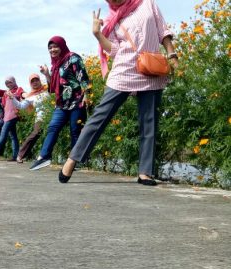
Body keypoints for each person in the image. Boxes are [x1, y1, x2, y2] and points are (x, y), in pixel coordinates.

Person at [59, 0, 179, 185]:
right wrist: (98, 34)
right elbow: (114, 50)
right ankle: (72, 159)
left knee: (149, 122)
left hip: (151, 68)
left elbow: (163, 31)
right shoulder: (113, 18)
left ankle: (145, 172)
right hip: (124, 70)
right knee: (100, 116)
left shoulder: (148, 4)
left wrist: (172, 55)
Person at [29, 36, 91, 171]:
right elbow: (52, 89)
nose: (52, 50)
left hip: (77, 100)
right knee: (53, 127)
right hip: (61, 104)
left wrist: (87, 94)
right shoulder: (55, 65)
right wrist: (46, 74)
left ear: (62, 46)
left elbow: (83, 77)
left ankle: (75, 162)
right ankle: (44, 157)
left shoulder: (73, 58)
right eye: (50, 48)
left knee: (76, 131)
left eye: (55, 46)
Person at [10, 74, 50, 163]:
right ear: (30, 84)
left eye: (36, 80)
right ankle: (20, 155)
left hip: (53, 115)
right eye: (32, 81)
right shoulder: (31, 96)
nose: (35, 83)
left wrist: (46, 74)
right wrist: (12, 98)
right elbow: (20, 106)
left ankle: (47, 157)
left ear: (40, 80)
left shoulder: (47, 89)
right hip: (41, 118)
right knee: (35, 133)